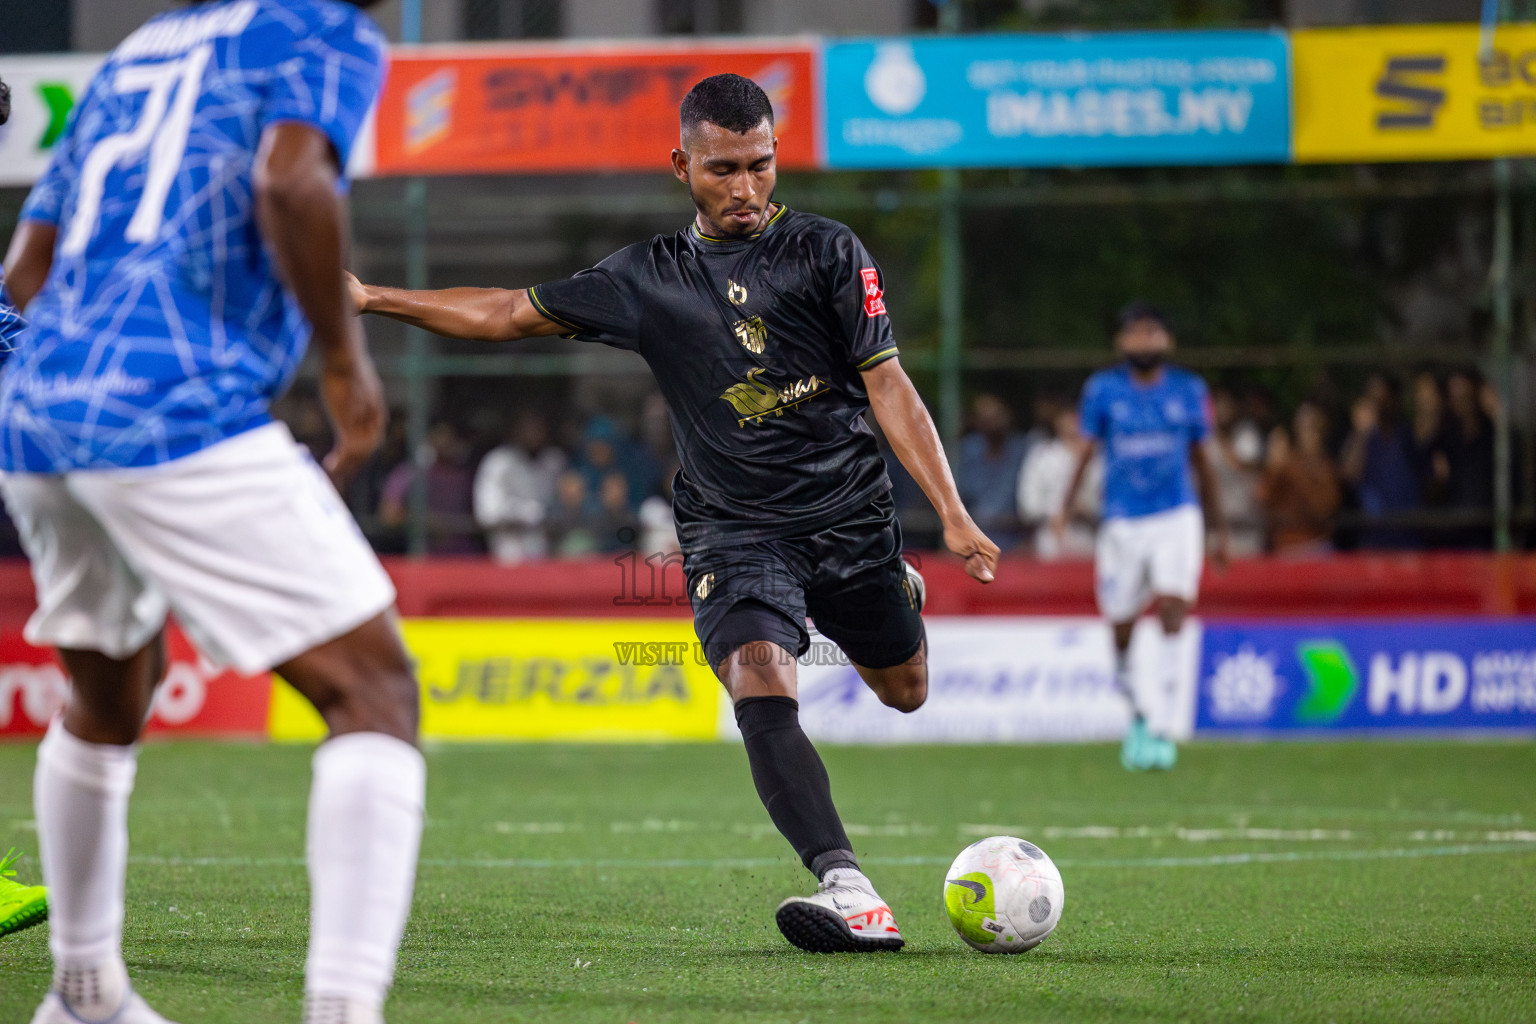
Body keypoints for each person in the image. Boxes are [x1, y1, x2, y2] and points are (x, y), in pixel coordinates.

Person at [348, 73, 999, 954]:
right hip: (733, 529)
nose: (745, 189)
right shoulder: (646, 278)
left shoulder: (829, 253)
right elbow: (506, 313)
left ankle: (899, 600)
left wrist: (951, 514)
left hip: (850, 515)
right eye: (723, 169)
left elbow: (889, 384)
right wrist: (374, 300)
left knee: (906, 690)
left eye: (761, 167)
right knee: (760, 674)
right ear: (681, 165)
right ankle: (848, 887)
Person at [0, 4, 424, 1023]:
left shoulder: (140, 51)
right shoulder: (321, 31)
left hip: (40, 411)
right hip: (171, 410)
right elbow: (288, 179)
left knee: (107, 696)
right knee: (375, 692)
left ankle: (85, 992)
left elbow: (27, 269)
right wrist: (343, 361)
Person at [1052, 301, 1227, 772]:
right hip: (1123, 521)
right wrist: (1064, 507)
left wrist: (1220, 525)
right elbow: (1086, 451)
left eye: (1153, 332)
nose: (1144, 341)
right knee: (1122, 626)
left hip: (1176, 514)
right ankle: (1139, 715)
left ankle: (1166, 724)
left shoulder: (1189, 391)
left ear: (1166, 340)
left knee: (1173, 604)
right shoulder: (1103, 390)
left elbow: (1203, 460)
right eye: (1136, 333)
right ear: (1122, 341)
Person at [474, 411, 567, 563]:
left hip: (549, 554)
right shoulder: (498, 461)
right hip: (508, 553)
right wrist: (523, 512)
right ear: (515, 431)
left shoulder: (554, 461)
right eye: (528, 429)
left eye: (538, 429)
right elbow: (487, 513)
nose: (533, 434)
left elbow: (566, 505)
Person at [1340, 376, 1420, 549]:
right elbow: (1348, 474)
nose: (1380, 403)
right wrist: (1361, 433)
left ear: (1395, 399)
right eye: (1373, 397)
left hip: (1408, 534)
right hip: (1374, 536)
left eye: (1384, 396)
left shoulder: (1406, 435)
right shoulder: (1363, 437)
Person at [1258, 401, 1341, 556]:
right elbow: (1264, 497)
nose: (1306, 428)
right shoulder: (1286, 460)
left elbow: (1326, 507)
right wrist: (1274, 466)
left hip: (1318, 544)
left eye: (1311, 423)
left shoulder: (1326, 464)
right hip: (1288, 546)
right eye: (1302, 422)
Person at [1017, 406, 1100, 560]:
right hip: (1050, 539)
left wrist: (1086, 511)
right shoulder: (1043, 455)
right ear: (1058, 422)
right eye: (1067, 419)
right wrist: (1053, 513)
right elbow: (1028, 504)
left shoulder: (1098, 457)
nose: (1072, 424)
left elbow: (1109, 502)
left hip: (1089, 536)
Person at [957, 393, 1031, 550]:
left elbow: (1031, 501)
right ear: (977, 421)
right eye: (985, 417)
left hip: (1016, 541)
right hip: (977, 539)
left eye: (996, 416)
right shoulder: (970, 450)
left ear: (1007, 416)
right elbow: (961, 497)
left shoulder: (1023, 449)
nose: (991, 422)